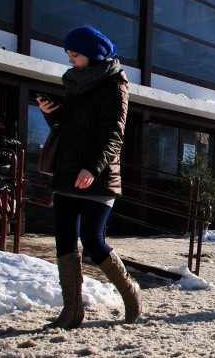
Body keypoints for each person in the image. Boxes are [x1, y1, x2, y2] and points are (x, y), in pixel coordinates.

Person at [38, 26, 141, 330]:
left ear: (93, 54)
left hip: (98, 174)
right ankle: (72, 311)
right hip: (68, 172)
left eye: (75, 54)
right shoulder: (75, 84)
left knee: (93, 241)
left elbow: (113, 135)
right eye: (68, 54)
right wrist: (51, 113)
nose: (70, 60)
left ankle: (131, 292)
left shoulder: (115, 85)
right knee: (64, 241)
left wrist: (92, 168)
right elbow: (69, 127)